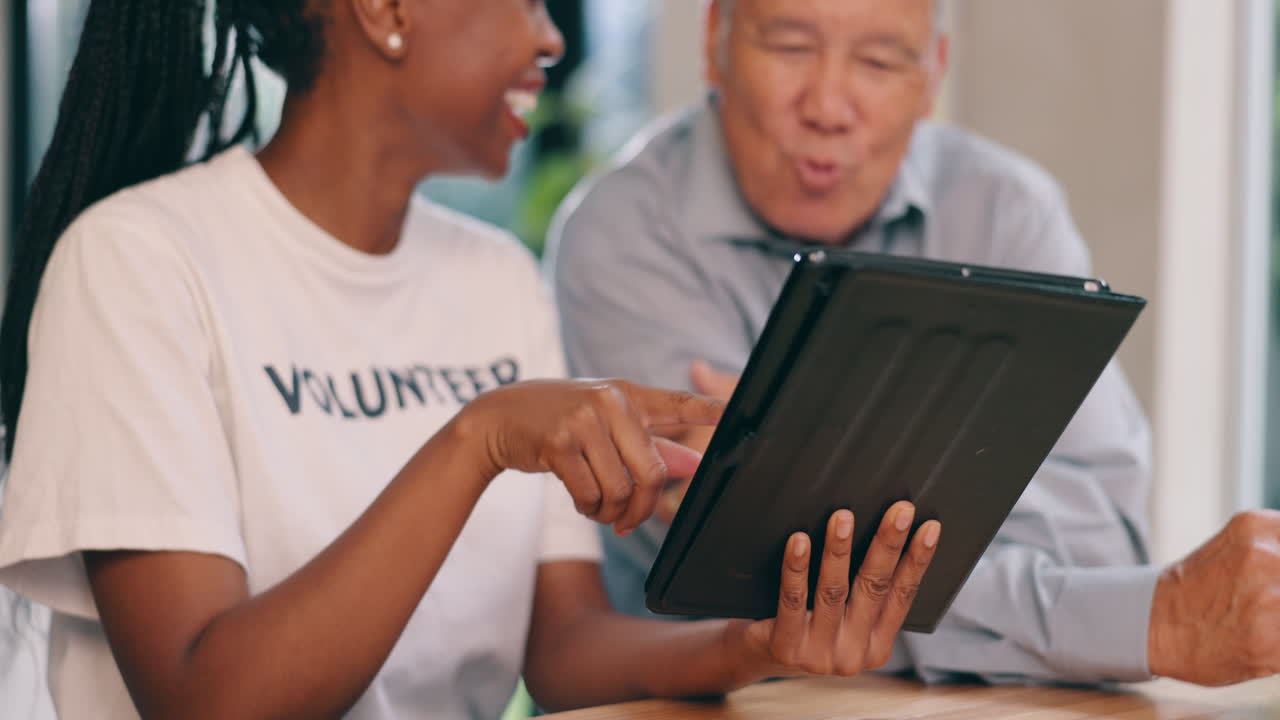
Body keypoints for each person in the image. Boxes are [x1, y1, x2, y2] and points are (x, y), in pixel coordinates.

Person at [0, 2, 945, 719]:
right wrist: (478, 438)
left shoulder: (494, 275)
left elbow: (563, 650)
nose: (551, 40)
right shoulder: (139, 259)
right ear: (386, 10)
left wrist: (750, 645)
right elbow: (207, 697)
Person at [549, 0, 1280, 688]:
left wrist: (801, 457)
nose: (829, 107)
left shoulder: (1006, 211)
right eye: (790, 45)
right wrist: (1123, 620)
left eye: (880, 60)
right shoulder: (622, 234)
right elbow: (740, 569)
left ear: (933, 74)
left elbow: (1098, 546)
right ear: (715, 41)